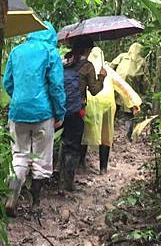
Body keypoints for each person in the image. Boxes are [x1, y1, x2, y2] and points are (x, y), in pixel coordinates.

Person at [3, 21, 66, 216]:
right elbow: (56, 86)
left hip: (17, 112)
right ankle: (35, 203)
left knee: (19, 155)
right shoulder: (50, 53)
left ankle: (11, 197)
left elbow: (8, 82)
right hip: (43, 113)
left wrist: (20, 100)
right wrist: (60, 113)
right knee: (42, 158)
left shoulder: (16, 51)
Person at [82, 47, 141, 175]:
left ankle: (81, 164)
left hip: (89, 104)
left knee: (84, 133)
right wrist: (134, 103)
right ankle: (103, 168)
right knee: (105, 136)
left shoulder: (85, 67)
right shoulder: (107, 70)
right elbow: (123, 86)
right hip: (107, 105)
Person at [59, 37, 106, 191]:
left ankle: (58, 176)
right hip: (75, 111)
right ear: (87, 49)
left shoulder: (64, 61)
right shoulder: (87, 66)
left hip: (58, 108)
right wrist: (102, 77)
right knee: (73, 146)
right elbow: (94, 90)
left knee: (62, 141)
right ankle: (68, 183)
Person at [109, 42, 146, 140]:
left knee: (113, 110)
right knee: (128, 113)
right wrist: (143, 92)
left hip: (117, 87)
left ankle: (109, 134)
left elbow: (111, 67)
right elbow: (144, 80)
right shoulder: (142, 61)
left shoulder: (122, 56)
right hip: (130, 90)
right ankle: (127, 136)